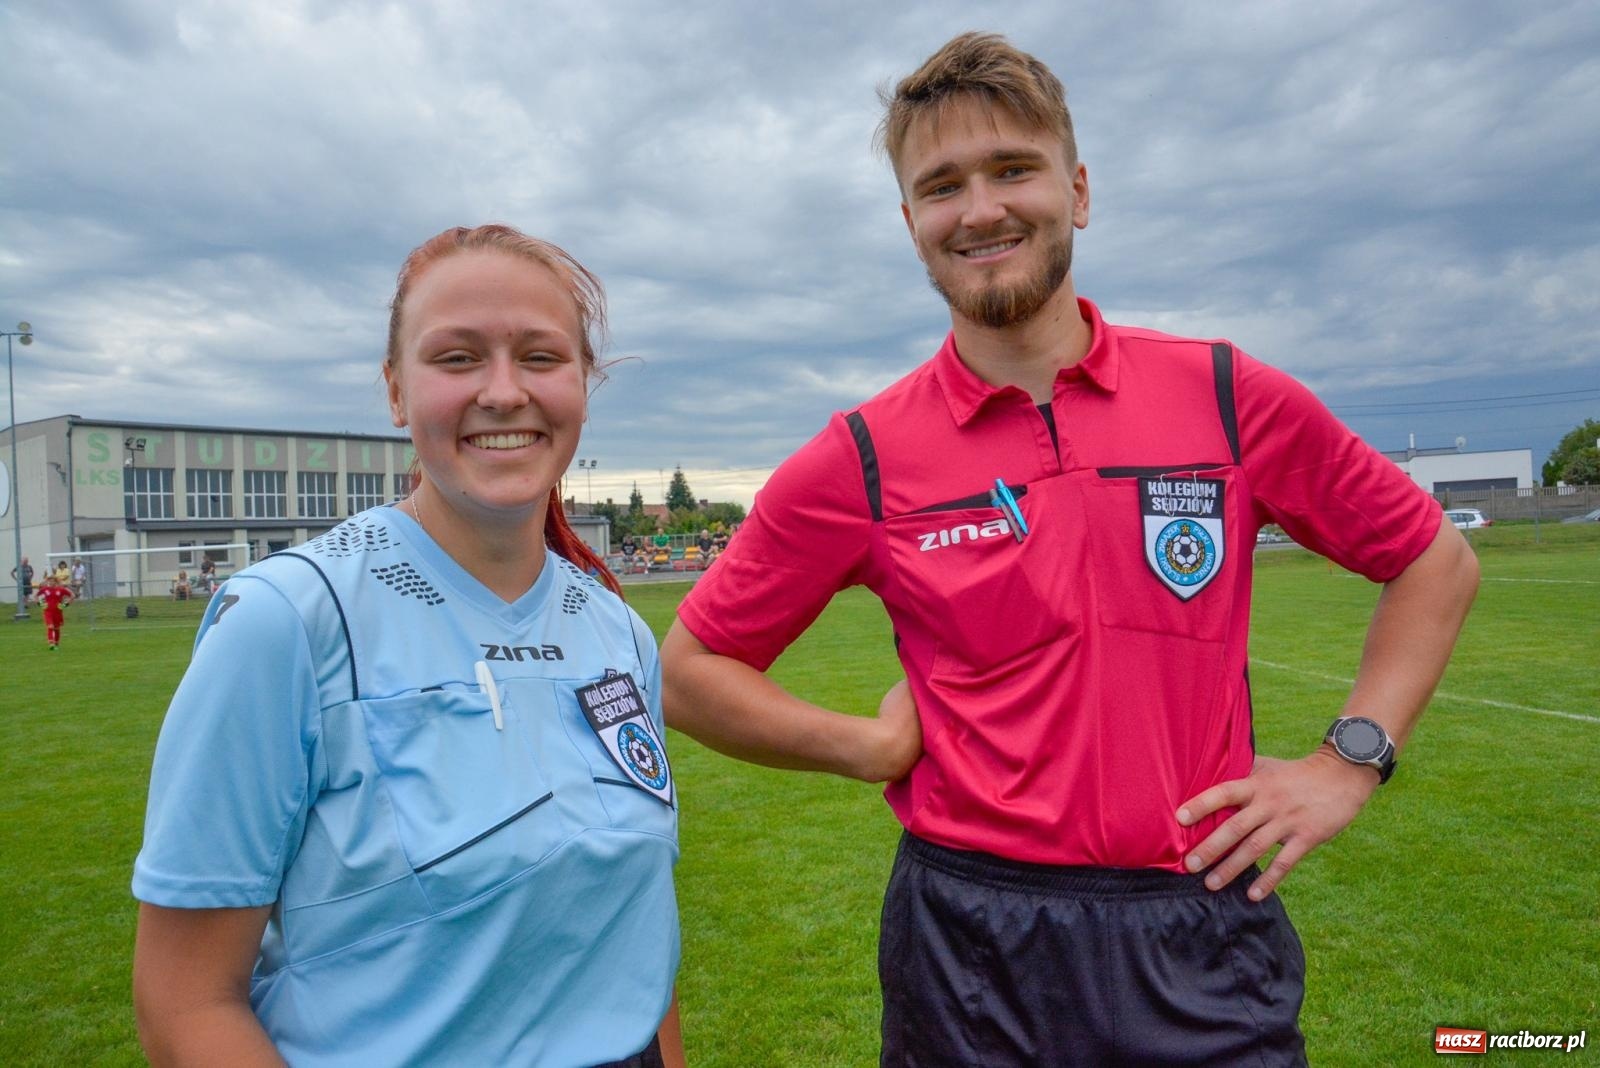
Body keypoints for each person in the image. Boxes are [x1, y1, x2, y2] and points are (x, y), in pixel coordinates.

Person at [661, 32, 1479, 1067]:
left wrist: (1346, 761)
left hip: (1199, 923)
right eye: (942, 185)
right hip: (970, 942)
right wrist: (865, 749)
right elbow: (689, 671)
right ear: (911, 222)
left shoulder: (1226, 396)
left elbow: (1431, 559)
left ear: (1078, 189)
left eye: (1013, 168)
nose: (982, 208)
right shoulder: (860, 456)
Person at [133, 224, 684, 1067]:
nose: (503, 392)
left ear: (583, 383)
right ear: (395, 391)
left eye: (540, 357)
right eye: (457, 358)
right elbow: (185, 1006)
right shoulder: (287, 622)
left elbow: (632, 948)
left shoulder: (616, 630)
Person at [32, 572, 73, 650]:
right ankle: (51, 644)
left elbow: (72, 596)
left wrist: (65, 605)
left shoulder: (61, 590)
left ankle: (56, 643)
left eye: (52, 581)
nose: (51, 582)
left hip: (58, 612)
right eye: (49, 581)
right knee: (50, 627)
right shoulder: (44, 589)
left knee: (57, 628)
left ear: (56, 582)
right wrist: (40, 604)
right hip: (48, 611)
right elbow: (35, 596)